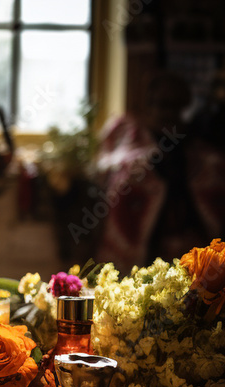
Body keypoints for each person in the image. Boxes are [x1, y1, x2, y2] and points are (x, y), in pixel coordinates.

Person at [95, 71, 224, 268]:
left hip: (190, 244)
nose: (167, 113)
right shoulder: (130, 139)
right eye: (162, 104)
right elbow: (112, 172)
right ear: (149, 104)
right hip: (143, 250)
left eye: (175, 106)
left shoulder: (201, 152)